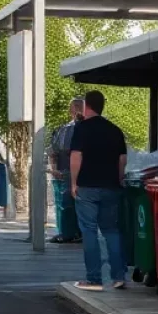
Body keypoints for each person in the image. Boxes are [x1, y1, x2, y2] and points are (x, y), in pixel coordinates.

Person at [69, 89, 127, 290]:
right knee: (111, 230)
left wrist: (74, 183)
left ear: (86, 106)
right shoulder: (115, 130)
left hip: (87, 187)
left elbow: (76, 156)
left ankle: (94, 279)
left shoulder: (81, 129)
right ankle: (119, 276)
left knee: (89, 231)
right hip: (111, 187)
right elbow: (122, 160)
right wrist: (118, 179)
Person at [47, 97, 84, 244]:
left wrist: (55, 169)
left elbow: (53, 151)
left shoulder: (66, 130)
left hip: (67, 173)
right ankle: (78, 233)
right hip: (87, 174)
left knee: (66, 204)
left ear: (73, 110)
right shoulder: (95, 128)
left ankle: (68, 233)